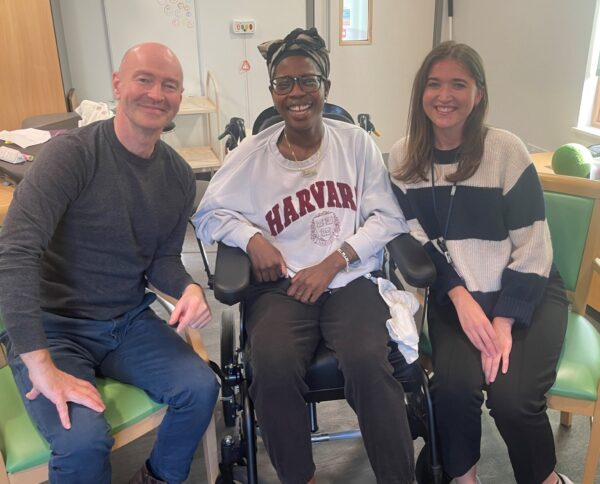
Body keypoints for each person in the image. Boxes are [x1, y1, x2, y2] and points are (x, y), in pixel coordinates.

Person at [194, 27, 414, 484]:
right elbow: (209, 215)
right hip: (280, 289)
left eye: (308, 81)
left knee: (368, 360)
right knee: (270, 368)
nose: (296, 93)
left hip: (349, 281)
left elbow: (389, 218)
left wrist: (336, 260)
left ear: (325, 88)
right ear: (273, 92)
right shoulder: (250, 155)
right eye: (284, 83)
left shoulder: (356, 143)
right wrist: (252, 238)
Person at [0, 43, 219, 484]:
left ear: (178, 98)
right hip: (54, 326)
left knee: (201, 387)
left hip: (126, 320)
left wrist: (188, 287)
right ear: (118, 85)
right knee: (82, 444)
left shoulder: (177, 176)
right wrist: (41, 365)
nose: (157, 93)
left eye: (170, 85)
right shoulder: (71, 156)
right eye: (144, 79)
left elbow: (161, 259)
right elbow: (14, 254)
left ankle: (156, 477)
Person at [388, 41, 571, 484]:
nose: (444, 95)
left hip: (526, 292)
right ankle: (463, 478)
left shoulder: (506, 151)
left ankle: (547, 480)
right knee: (454, 388)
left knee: (512, 397)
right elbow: (415, 238)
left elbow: (534, 247)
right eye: (434, 84)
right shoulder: (403, 157)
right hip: (457, 297)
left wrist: (505, 320)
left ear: (479, 93)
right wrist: (459, 297)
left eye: (458, 84)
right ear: (420, 92)